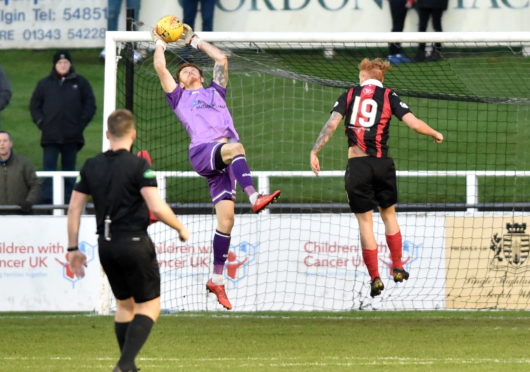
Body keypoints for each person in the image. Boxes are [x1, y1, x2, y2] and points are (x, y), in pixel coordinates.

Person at [152, 26, 281, 310]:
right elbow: (161, 68)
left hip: (224, 161)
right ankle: (254, 197)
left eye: (192, 69)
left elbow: (221, 59)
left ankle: (216, 280)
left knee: (227, 221)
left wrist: (195, 41)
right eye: (183, 72)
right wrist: (159, 42)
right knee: (235, 146)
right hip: (204, 152)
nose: (189, 72)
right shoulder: (179, 97)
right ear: (180, 83)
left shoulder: (216, 92)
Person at [67, 109, 190, 372]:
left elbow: (74, 208)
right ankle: (124, 364)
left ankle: (128, 366)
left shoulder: (90, 166)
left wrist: (73, 248)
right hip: (134, 242)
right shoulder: (139, 166)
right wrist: (180, 227)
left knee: (124, 305)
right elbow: (156, 207)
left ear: (107, 134)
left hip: (106, 245)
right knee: (150, 305)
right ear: (133, 134)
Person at [310, 58, 443, 298]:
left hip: (358, 165)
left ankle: (375, 278)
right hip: (382, 165)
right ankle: (398, 266)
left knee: (365, 223)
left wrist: (315, 151)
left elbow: (331, 125)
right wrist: (434, 132)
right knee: (389, 215)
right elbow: (412, 123)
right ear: (381, 79)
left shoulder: (349, 94)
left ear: (362, 78)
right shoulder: (390, 95)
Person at [29, 50, 96, 205]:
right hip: (50, 136)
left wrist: (80, 124)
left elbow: (90, 104)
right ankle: (46, 200)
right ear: (55, 65)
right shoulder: (44, 84)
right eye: (60, 63)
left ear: (70, 64)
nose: (63, 65)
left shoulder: (80, 83)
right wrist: (41, 123)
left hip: (72, 136)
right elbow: (34, 106)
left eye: (66, 62)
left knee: (70, 170)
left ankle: (70, 200)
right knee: (49, 169)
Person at [0, 130, 41, 214]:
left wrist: (29, 202)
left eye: (5, 141)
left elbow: (35, 185)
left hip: (21, 216)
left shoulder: (24, 163)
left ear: (10, 143)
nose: (2, 144)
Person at [387, 0, 415, 65]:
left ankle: (397, 54)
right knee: (397, 26)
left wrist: (410, 1)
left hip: (403, 1)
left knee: (399, 27)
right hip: (397, 2)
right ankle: (392, 55)